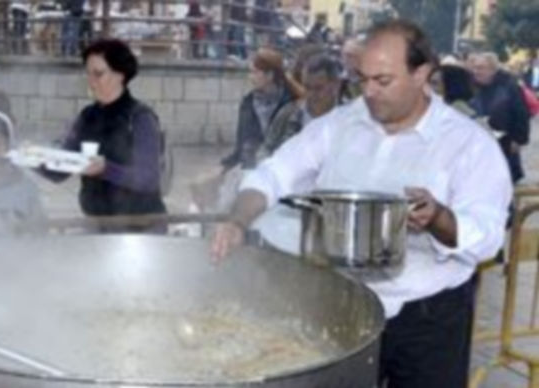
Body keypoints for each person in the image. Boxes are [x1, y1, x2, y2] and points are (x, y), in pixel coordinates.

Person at [211, 20, 512, 388]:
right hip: (342, 303)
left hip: (428, 318)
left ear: (421, 74)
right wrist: (238, 221)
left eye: (382, 81)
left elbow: (487, 234)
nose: (368, 92)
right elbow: (273, 174)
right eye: (362, 79)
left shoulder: (469, 143)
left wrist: (439, 218)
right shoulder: (340, 124)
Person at [42, 39, 166, 231]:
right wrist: (29, 158)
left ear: (120, 74)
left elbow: (148, 179)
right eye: (88, 74)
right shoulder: (87, 117)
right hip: (97, 225)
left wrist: (106, 169)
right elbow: (60, 171)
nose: (91, 82)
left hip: (141, 228)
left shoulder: (140, 118)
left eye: (98, 74)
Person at [221, 47, 301, 172]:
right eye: (250, 72)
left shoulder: (291, 104)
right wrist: (228, 164)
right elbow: (241, 144)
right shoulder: (248, 103)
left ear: (270, 75)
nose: (251, 77)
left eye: (255, 72)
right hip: (250, 167)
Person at [261, 54, 341, 158]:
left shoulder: (349, 119)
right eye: (307, 87)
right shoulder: (287, 115)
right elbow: (266, 150)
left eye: (318, 88)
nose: (311, 94)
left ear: (335, 86)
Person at [469, 52, 531, 183]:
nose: (476, 71)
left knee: (504, 179)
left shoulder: (509, 86)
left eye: (481, 68)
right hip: (482, 143)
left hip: (505, 142)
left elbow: (521, 112)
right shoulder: (473, 88)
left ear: (492, 70)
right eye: (474, 68)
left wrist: (518, 139)